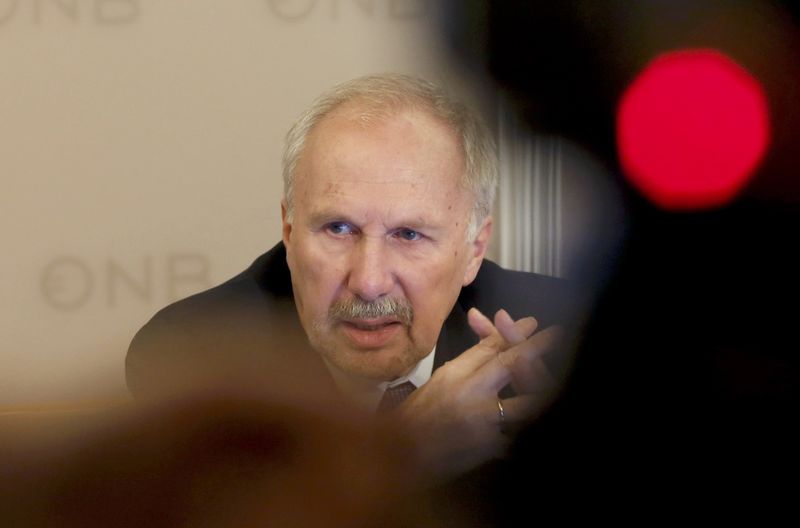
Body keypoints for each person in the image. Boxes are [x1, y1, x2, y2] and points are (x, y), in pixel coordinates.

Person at [126, 73, 575, 480]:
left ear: (474, 249)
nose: (369, 281)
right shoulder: (192, 358)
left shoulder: (567, 336)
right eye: (338, 229)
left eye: (409, 234)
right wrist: (404, 450)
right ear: (288, 230)